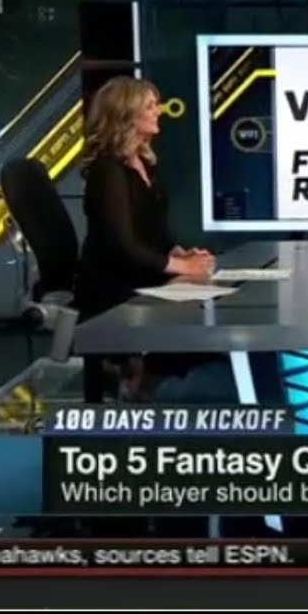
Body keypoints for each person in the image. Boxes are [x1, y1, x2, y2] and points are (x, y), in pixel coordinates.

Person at [76, 76, 215, 401]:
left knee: (203, 312)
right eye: (150, 106)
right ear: (127, 115)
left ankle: (146, 380)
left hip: (144, 275)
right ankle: (141, 381)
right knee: (193, 329)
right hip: (114, 288)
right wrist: (180, 267)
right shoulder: (107, 172)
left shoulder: (145, 165)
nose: (159, 111)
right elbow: (122, 246)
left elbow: (155, 230)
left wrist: (181, 254)